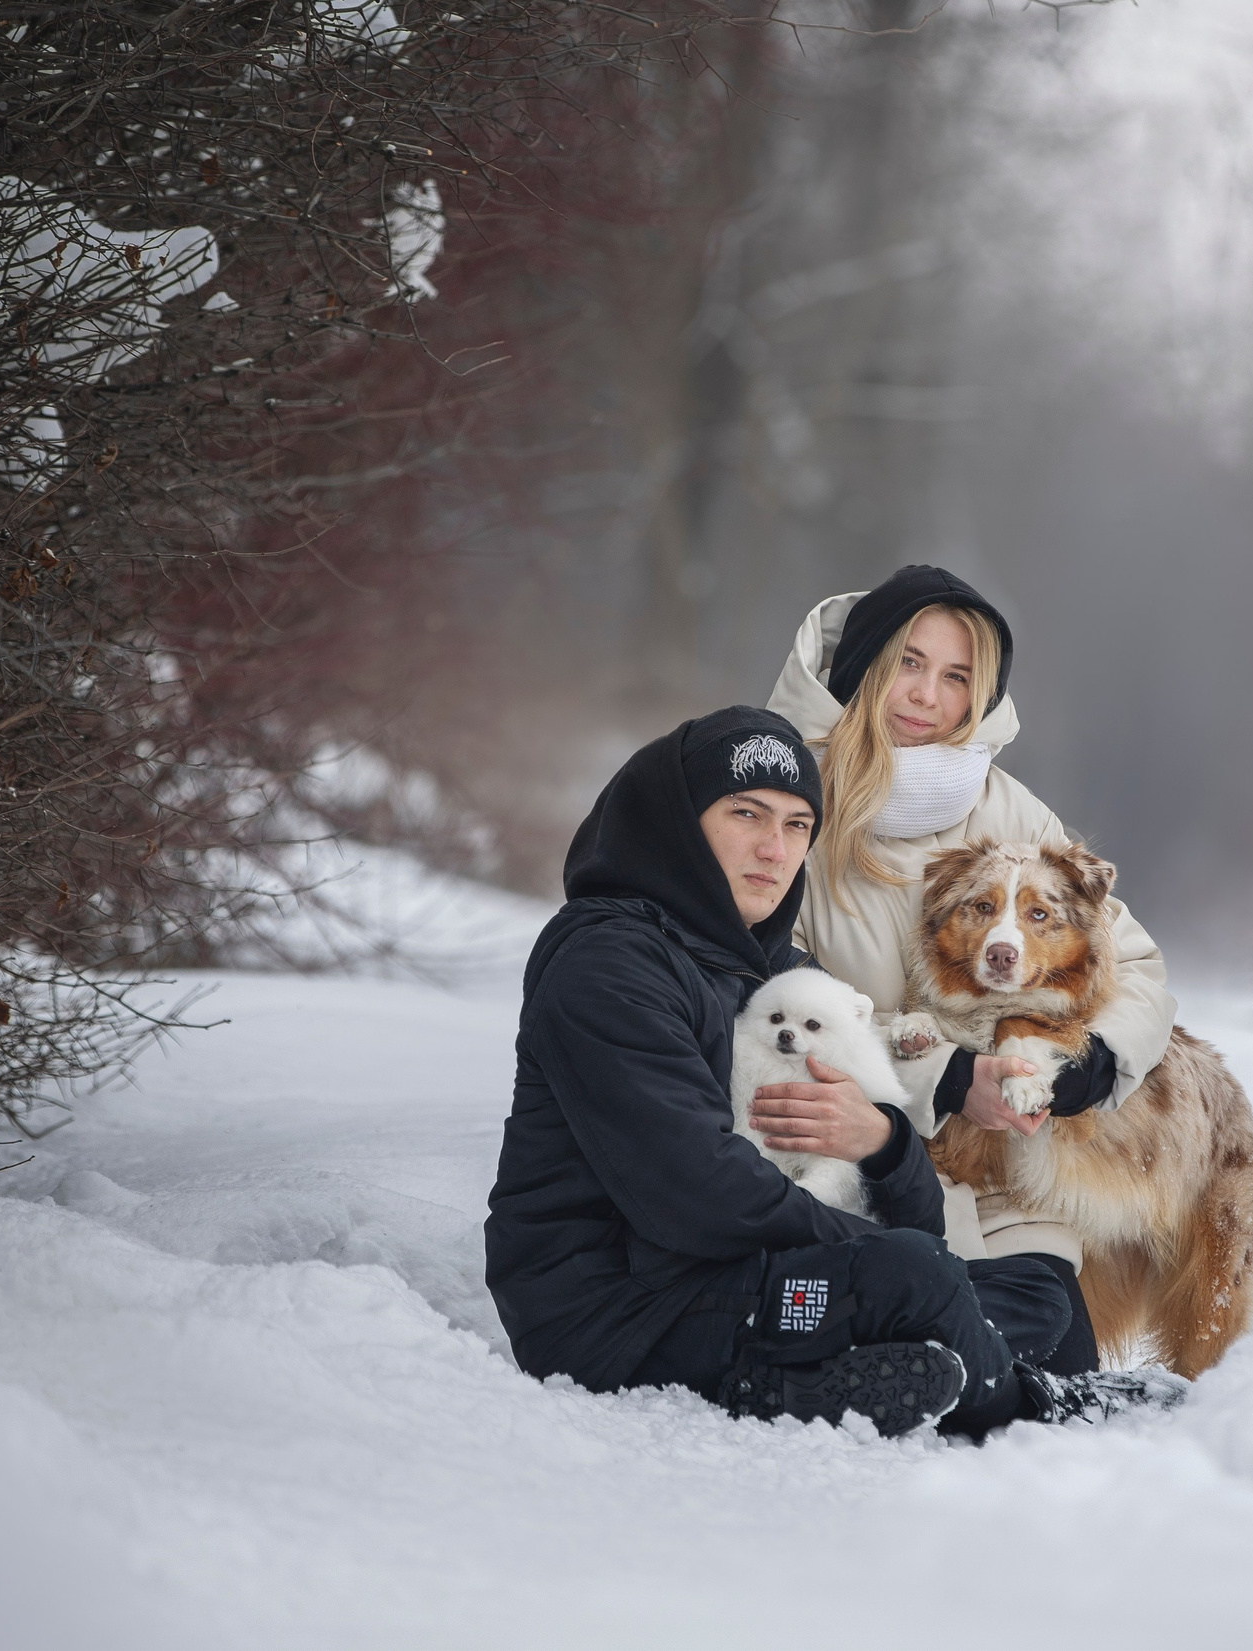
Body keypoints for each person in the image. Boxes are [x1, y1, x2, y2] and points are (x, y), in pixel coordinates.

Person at [482, 705, 1154, 1437]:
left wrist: (884, 1145)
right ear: (681, 818)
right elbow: (694, 1195)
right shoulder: (608, 963)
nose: (775, 848)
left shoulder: (772, 969)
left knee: (1036, 1289)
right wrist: (896, 1261)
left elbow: (910, 1197)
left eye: (798, 825)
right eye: (747, 814)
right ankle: (1018, 1403)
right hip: (619, 1310)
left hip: (734, 1275)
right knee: (919, 1275)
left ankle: (842, 1369)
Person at [765, 566, 1180, 1375]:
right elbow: (778, 1010)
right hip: (858, 1165)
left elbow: (1136, 965)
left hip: (1005, 1183)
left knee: (1056, 1351)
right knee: (971, 1353)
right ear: (866, 666)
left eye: (957, 677)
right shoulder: (787, 805)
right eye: (909, 664)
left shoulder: (1009, 808)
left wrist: (1090, 1064)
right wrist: (951, 1078)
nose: (927, 696)